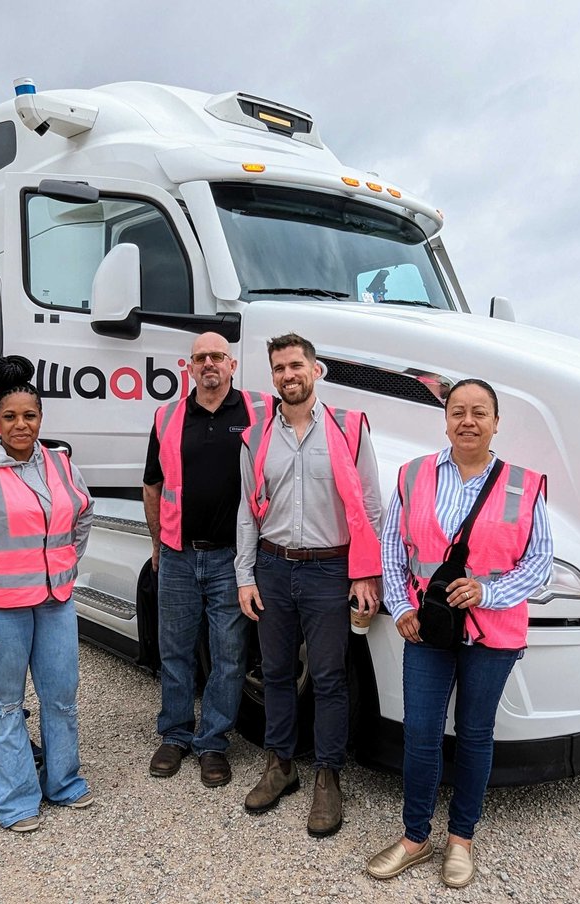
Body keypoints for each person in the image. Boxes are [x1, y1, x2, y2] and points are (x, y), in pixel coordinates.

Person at [366, 378, 552, 888]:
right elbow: (393, 549)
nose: (467, 421)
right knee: (421, 734)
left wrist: (486, 593)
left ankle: (461, 840)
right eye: (458, 412)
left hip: (493, 636)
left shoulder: (523, 483)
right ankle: (415, 837)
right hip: (426, 631)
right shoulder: (413, 475)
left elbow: (540, 564)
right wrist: (402, 605)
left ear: (496, 422)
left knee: (474, 736)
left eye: (479, 412)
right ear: (445, 419)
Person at [235, 333, 383, 838]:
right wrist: (244, 576)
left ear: (315, 371)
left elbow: (370, 507)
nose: (287, 375)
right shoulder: (256, 436)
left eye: (296, 365)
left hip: (328, 571)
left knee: (328, 678)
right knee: (275, 672)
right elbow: (247, 510)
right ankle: (281, 764)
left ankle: (327, 774)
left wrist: (367, 573)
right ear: (272, 376)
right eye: (278, 368)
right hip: (273, 569)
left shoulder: (348, 428)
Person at [0, 355, 95, 832]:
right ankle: (15, 800)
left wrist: (64, 563)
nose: (21, 424)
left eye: (29, 416)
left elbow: (83, 514)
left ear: (41, 419)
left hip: (54, 605)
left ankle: (63, 782)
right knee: (5, 705)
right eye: (10, 416)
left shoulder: (61, 465)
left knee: (61, 695)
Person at [143, 332, 274, 787]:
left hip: (232, 561)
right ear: (190, 367)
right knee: (174, 651)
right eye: (200, 358)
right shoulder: (167, 416)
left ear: (232, 365)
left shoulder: (260, 411)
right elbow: (153, 485)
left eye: (217, 356)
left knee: (229, 655)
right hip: (179, 556)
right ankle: (176, 735)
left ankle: (214, 742)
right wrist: (158, 545)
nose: (209, 364)